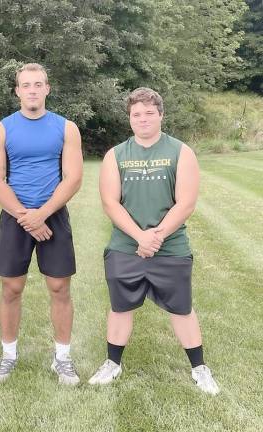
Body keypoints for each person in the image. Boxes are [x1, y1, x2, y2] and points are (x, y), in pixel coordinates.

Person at [88, 87, 219, 395]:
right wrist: (139, 237)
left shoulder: (181, 151)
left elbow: (185, 203)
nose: (143, 119)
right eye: (137, 114)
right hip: (126, 246)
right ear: (129, 118)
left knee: (182, 309)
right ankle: (113, 364)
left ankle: (200, 369)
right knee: (120, 307)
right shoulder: (116, 154)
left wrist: (156, 236)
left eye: (149, 113)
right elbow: (110, 202)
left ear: (161, 115)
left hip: (170, 247)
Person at [0, 63, 83, 385]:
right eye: (26, 85)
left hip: (53, 214)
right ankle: (9, 356)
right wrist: (27, 217)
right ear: (17, 91)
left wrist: (43, 213)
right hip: (16, 216)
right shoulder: (1, 130)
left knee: (59, 287)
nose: (32, 90)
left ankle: (63, 359)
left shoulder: (66, 128)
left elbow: (73, 178)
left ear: (47, 89)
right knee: (12, 288)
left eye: (38, 84)